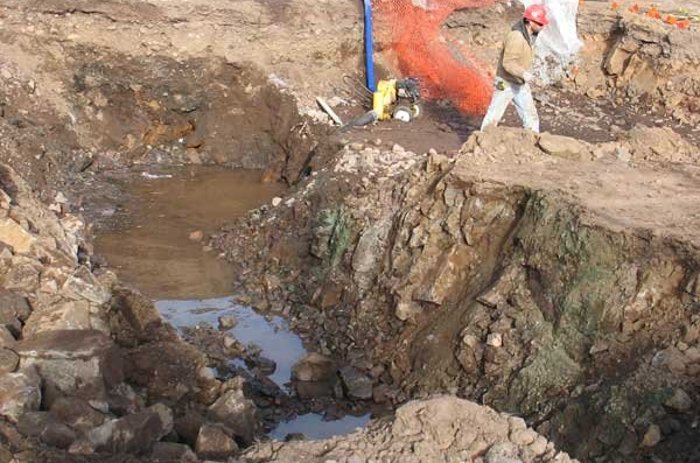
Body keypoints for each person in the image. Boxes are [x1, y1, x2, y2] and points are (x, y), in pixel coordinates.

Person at [480, 4, 549, 133]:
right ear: (529, 21)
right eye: (540, 23)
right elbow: (508, 63)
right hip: (505, 82)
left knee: (531, 116)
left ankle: (532, 142)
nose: (542, 26)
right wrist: (525, 74)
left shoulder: (530, 35)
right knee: (494, 115)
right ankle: (481, 140)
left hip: (519, 81)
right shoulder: (516, 37)